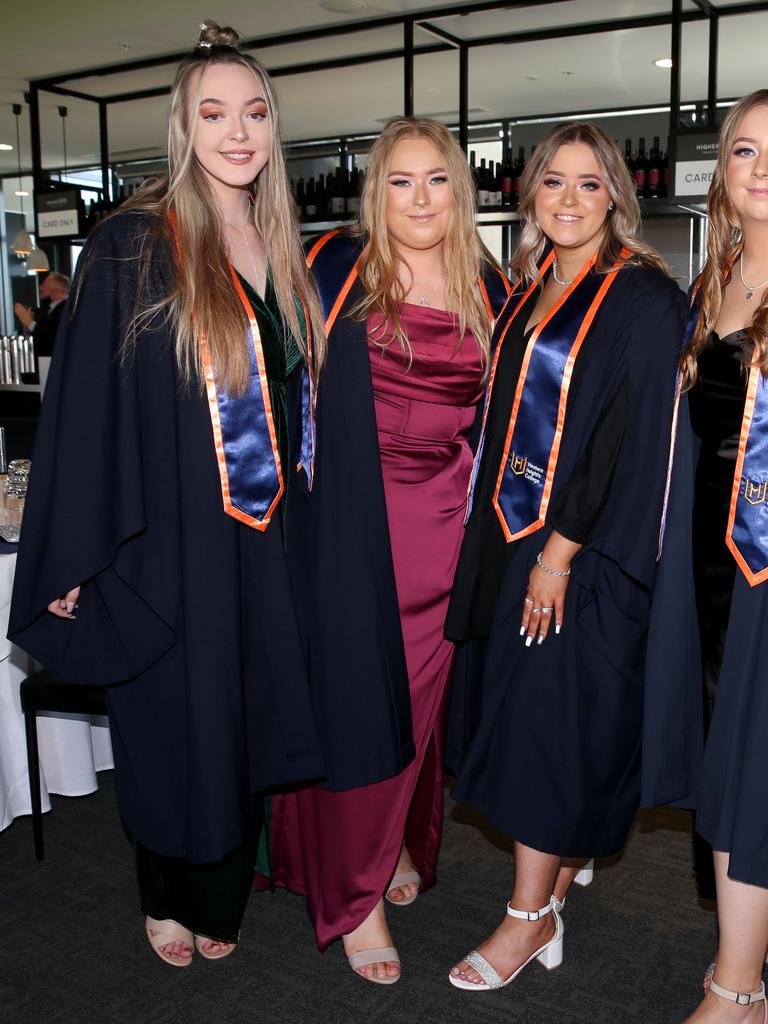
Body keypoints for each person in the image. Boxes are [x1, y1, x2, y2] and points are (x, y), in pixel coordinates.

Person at [8, 21, 408, 970]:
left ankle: (220, 890)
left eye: (255, 112)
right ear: (183, 126)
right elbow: (84, 412)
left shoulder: (283, 247)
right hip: (171, 532)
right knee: (172, 718)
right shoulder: (136, 243)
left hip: (267, 533)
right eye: (214, 112)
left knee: (245, 714)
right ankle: (164, 895)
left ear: (275, 127)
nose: (238, 132)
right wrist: (75, 553)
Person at [442, 121, 687, 993]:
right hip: (514, 542)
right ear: (530, 193)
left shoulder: (646, 298)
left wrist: (559, 552)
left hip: (581, 556)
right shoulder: (529, 286)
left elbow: (627, 439)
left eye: (591, 184)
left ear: (618, 195)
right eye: (555, 182)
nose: (571, 200)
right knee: (528, 725)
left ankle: (527, 916)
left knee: (549, 737)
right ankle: (548, 886)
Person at [266, 117, 510, 984]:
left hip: (449, 521)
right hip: (354, 526)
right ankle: (357, 892)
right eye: (401, 181)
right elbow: (276, 396)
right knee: (359, 701)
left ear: (460, 189)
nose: (420, 198)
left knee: (419, 707)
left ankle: (391, 841)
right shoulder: (333, 267)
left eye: (437, 180)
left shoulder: (491, 283)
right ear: (377, 190)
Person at [680, 89, 768, 1024]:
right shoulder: (718, 276)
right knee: (727, 761)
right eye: (745, 151)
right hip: (711, 567)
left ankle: (736, 985)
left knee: (757, 767)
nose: (761, 167)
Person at [14, 271, 70, 357]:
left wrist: (30, 323)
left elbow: (56, 336)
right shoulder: (43, 310)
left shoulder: (67, 309)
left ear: (55, 291)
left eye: (44, 285)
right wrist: (26, 327)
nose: (40, 287)